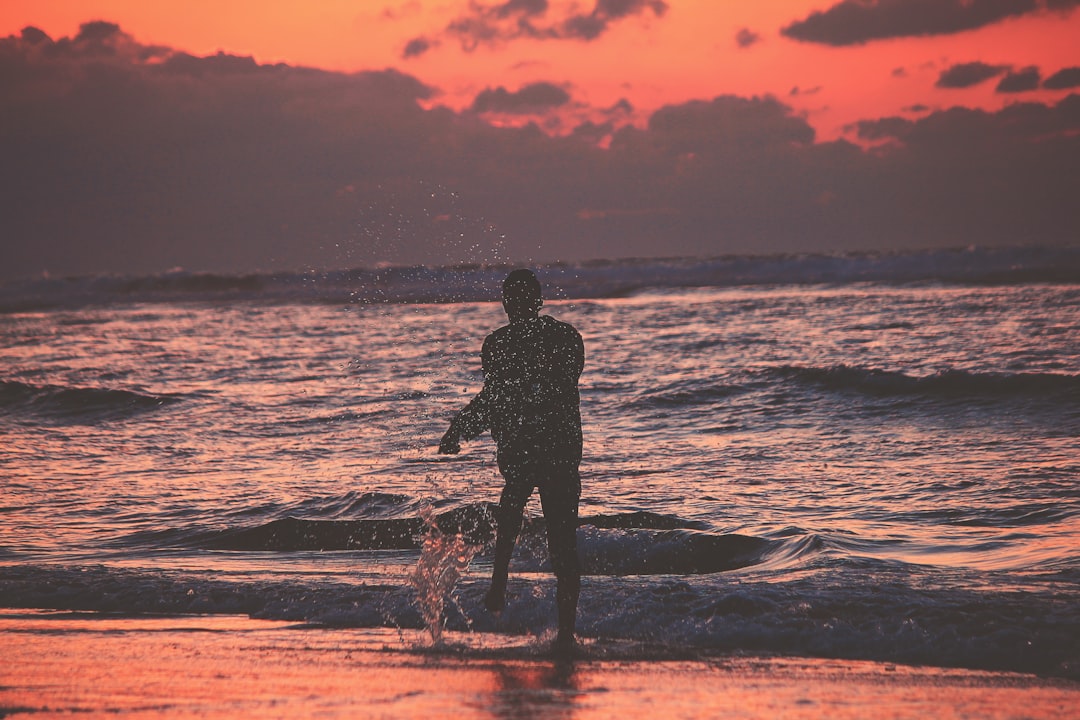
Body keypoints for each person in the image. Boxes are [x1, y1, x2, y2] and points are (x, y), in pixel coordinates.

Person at [438, 269, 584, 652]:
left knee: (522, 513)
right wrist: (460, 429)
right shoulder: (562, 338)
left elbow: (500, 396)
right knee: (559, 544)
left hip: (542, 447)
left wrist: (461, 429)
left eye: (516, 299)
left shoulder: (521, 342)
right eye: (511, 298)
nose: (513, 305)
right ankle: (561, 633)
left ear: (531, 302)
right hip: (555, 449)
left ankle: (501, 583)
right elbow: (496, 396)